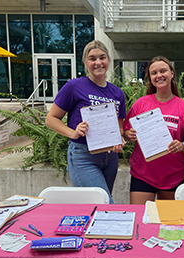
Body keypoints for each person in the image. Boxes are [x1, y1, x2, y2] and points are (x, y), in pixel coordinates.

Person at [45, 40, 126, 204]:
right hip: (83, 155)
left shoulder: (117, 93)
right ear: (85, 62)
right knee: (105, 203)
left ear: (108, 60)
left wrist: (119, 139)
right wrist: (73, 132)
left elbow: (119, 128)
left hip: (110, 157)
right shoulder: (74, 86)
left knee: (99, 207)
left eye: (102, 57)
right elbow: (51, 119)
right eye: (92, 59)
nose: (98, 63)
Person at [123, 56, 184, 204]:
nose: (159, 75)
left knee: (169, 224)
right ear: (150, 78)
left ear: (172, 73)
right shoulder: (140, 104)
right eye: (154, 73)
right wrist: (129, 134)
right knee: (140, 218)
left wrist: (181, 145)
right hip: (143, 173)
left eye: (163, 71)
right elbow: (125, 131)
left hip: (173, 174)